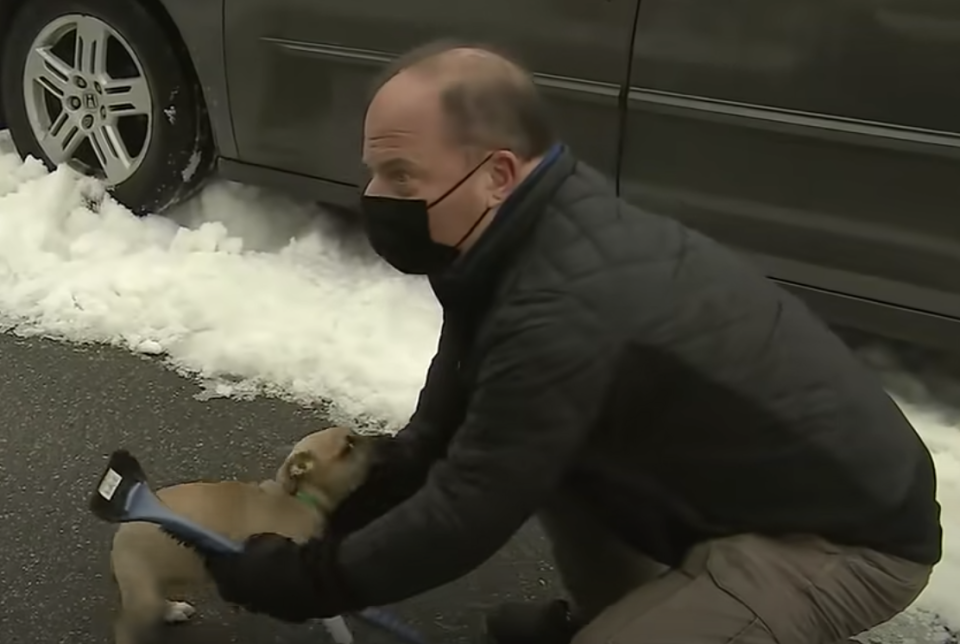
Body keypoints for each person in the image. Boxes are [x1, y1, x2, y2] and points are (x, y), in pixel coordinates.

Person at [202, 40, 942, 644]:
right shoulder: (513, 234)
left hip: (839, 541)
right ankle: (625, 616)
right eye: (372, 168)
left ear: (495, 175)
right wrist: (365, 502)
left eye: (400, 173)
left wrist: (312, 581)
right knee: (548, 447)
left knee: (530, 450)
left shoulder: (561, 300)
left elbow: (472, 507)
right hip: (743, 489)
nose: (375, 195)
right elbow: (453, 421)